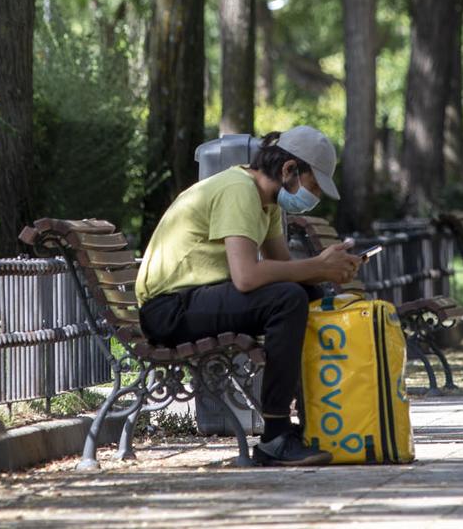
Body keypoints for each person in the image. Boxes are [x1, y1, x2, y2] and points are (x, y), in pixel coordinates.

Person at [136, 125, 362, 466]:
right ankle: (276, 436)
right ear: (289, 169)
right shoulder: (239, 190)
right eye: (313, 185)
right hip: (168, 309)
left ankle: (317, 415)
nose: (314, 197)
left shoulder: (267, 203)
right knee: (288, 299)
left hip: (194, 299)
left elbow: (285, 269)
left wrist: (328, 269)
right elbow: (246, 277)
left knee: (304, 293)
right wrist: (317, 265)